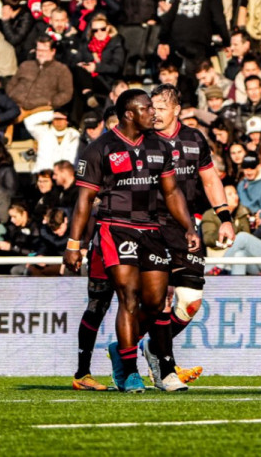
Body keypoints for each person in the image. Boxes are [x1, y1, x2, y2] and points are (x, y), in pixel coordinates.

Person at [64, 89, 200, 394]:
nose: (154, 113)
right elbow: (84, 201)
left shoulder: (159, 146)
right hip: (116, 228)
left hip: (152, 231)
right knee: (128, 297)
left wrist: (188, 226)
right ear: (129, 114)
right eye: (147, 108)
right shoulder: (100, 148)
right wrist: (74, 244)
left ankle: (165, 370)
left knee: (157, 302)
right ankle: (129, 372)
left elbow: (171, 192)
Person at [139, 84, 236, 385]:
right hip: (150, 224)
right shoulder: (142, 139)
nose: (155, 113)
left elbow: (210, 180)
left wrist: (225, 217)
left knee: (191, 301)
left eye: (162, 107)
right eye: (152, 107)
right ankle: (165, 368)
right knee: (160, 299)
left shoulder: (194, 139)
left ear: (177, 110)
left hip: (185, 228)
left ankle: (149, 346)